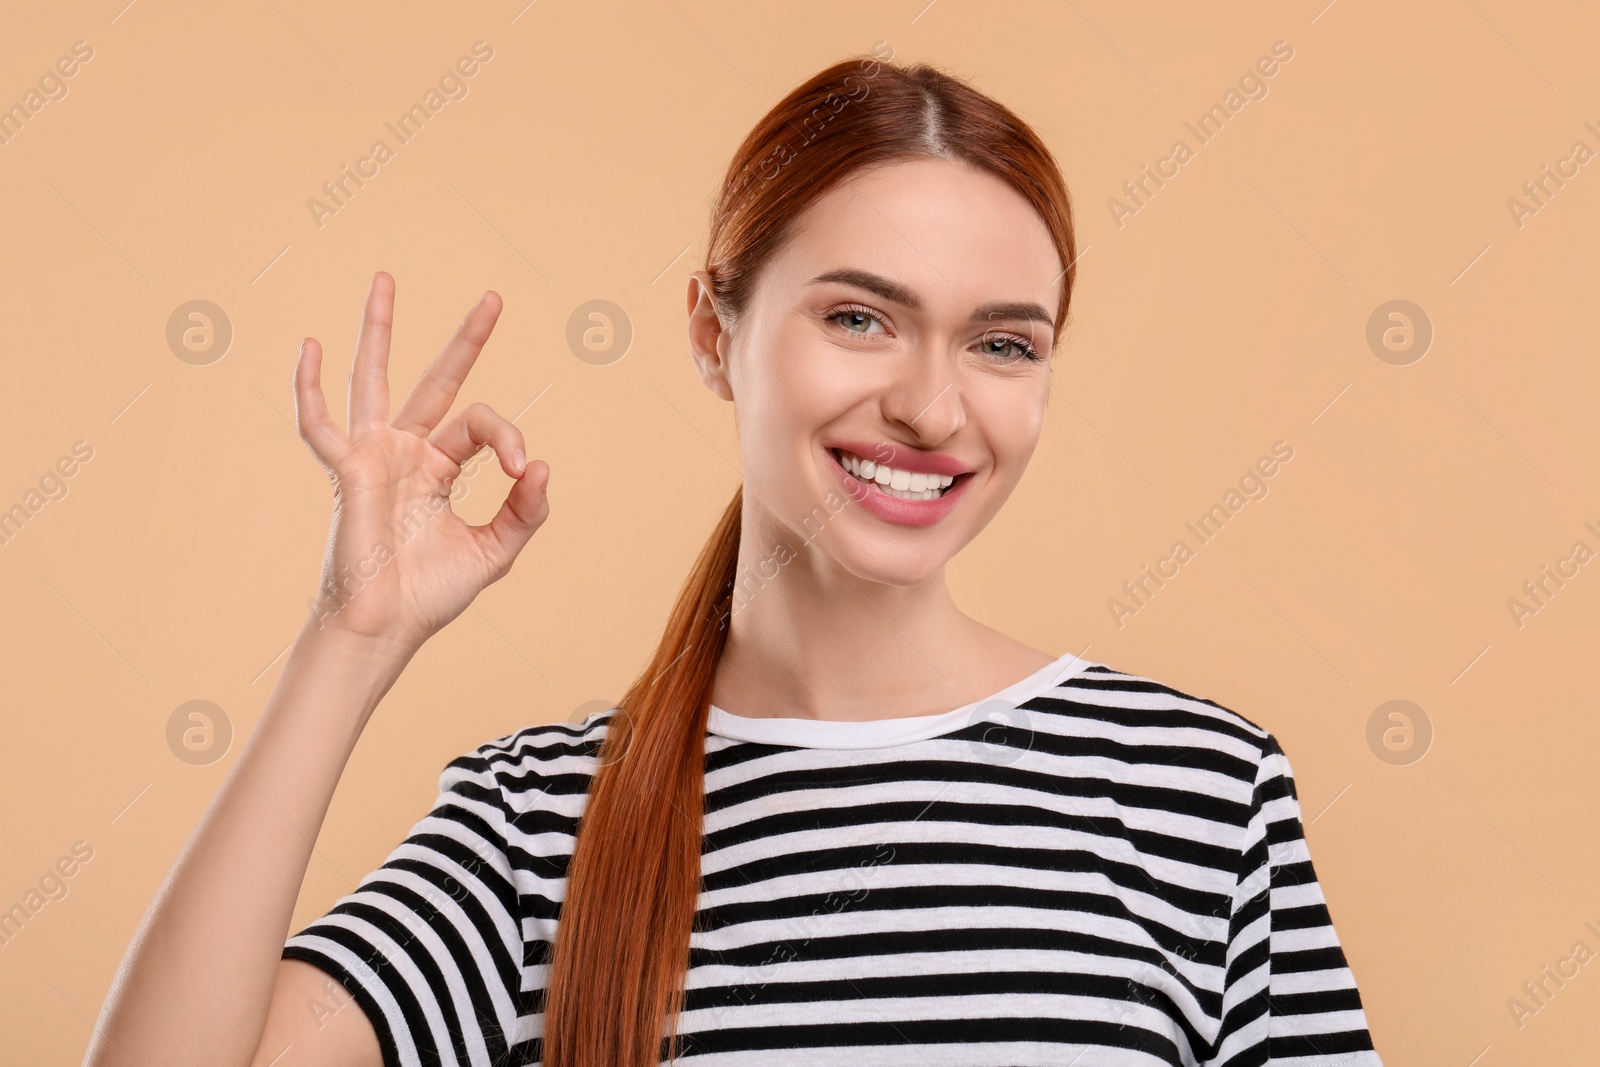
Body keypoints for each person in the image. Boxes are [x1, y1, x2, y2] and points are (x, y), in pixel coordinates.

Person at [85, 53, 1382, 1067]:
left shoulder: (1199, 793)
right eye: (861, 317)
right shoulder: (539, 825)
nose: (934, 408)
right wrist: (349, 638)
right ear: (714, 331)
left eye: (1003, 343)